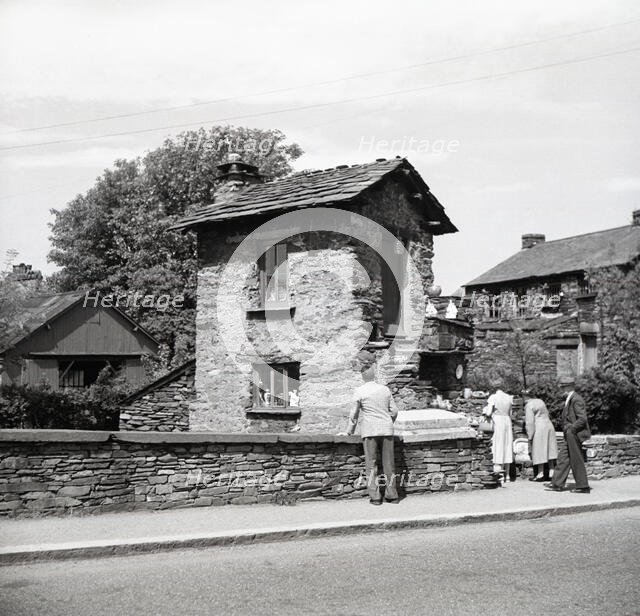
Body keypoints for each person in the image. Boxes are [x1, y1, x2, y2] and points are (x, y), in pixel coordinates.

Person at [345, 365, 399, 505]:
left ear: (363, 376)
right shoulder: (385, 389)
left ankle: (375, 497)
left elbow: (354, 413)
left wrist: (350, 430)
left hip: (369, 429)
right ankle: (392, 495)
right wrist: (387, 421)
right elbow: (394, 411)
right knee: (389, 464)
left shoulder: (360, 391)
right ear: (374, 375)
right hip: (386, 429)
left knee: (371, 464)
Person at [546, 376, 591, 493]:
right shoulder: (570, 399)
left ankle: (583, 486)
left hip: (574, 433)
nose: (562, 390)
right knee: (563, 458)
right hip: (569, 433)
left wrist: (571, 428)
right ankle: (557, 483)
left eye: (564, 387)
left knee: (576, 459)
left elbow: (582, 419)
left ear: (570, 387)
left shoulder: (576, 399)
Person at [483, 387, 514, 484]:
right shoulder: (509, 397)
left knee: (498, 445)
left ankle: (499, 474)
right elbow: (511, 413)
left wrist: (486, 412)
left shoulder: (494, 397)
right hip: (507, 421)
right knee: (507, 445)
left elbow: (488, 412)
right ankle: (507, 475)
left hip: (498, 421)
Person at [524, 397, 558, 481]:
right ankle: (551, 472)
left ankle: (540, 474)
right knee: (550, 449)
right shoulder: (541, 401)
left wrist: (530, 436)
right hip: (549, 425)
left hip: (539, 426)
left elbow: (530, 422)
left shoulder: (529, 405)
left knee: (539, 450)